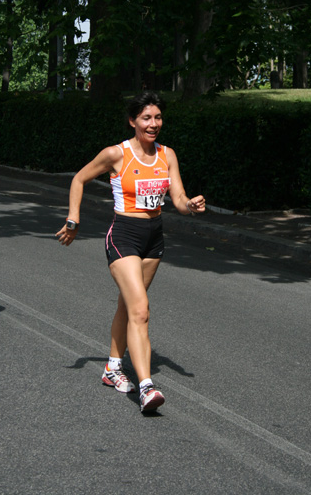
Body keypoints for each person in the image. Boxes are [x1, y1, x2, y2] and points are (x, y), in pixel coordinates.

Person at [56, 92, 205, 413]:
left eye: (158, 118)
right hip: (123, 236)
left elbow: (177, 199)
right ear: (133, 121)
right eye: (147, 118)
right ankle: (147, 387)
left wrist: (190, 205)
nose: (154, 124)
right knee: (141, 310)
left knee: (128, 306)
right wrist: (73, 218)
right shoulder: (116, 154)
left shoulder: (168, 155)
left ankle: (112, 367)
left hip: (154, 239)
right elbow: (79, 178)